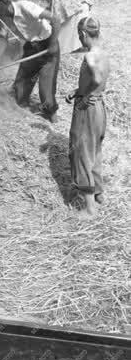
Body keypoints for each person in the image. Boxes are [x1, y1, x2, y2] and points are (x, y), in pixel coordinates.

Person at [0, 0, 61, 122]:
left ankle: (52, 117)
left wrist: (52, 44)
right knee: (20, 89)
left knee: (46, 90)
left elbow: (56, 19)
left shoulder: (25, 7)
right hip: (31, 48)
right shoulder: (5, 19)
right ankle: (22, 113)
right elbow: (3, 40)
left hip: (47, 45)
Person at [66, 16, 109, 216]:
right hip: (100, 107)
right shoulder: (103, 53)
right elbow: (99, 81)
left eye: (79, 35)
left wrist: (85, 97)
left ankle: (90, 208)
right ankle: (99, 193)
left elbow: (97, 77)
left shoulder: (90, 55)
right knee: (95, 151)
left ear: (83, 34)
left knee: (81, 152)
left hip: (88, 109)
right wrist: (78, 91)